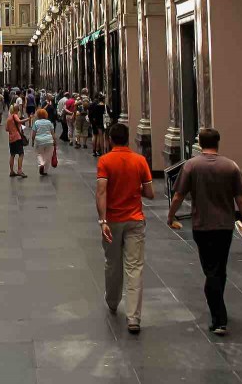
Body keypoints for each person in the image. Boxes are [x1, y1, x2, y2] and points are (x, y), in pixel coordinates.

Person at [167, 127, 242, 336]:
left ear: (200, 143)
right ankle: (218, 306)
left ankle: (219, 319)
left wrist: (171, 216)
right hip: (224, 226)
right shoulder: (230, 166)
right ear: (218, 142)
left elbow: (178, 195)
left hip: (202, 225)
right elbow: (240, 199)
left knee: (211, 270)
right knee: (219, 268)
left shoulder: (191, 166)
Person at [97, 122, 154, 334]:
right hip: (135, 220)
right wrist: (135, 187)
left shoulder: (105, 161)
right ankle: (134, 318)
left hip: (112, 221)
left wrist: (102, 221)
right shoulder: (139, 160)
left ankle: (112, 301)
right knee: (135, 267)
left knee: (112, 263)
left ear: (110, 139)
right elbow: (149, 193)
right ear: (128, 138)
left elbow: (102, 192)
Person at [30, 108, 56, 176]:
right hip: (49, 140)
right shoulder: (49, 122)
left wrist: (32, 141)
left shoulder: (36, 123)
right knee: (48, 156)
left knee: (39, 154)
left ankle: (41, 164)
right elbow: (53, 133)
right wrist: (54, 141)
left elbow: (33, 134)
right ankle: (45, 171)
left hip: (39, 141)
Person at [6, 104, 27, 178]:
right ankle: (19, 170)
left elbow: (6, 129)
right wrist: (28, 119)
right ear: (17, 110)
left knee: (12, 154)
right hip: (17, 137)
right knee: (21, 154)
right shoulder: (15, 116)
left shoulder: (9, 118)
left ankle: (11, 171)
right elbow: (19, 121)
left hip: (11, 138)